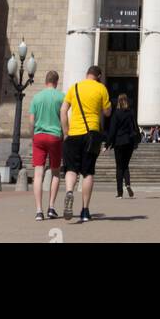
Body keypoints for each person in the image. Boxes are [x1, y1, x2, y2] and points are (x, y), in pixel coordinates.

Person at [60, 64, 112, 224]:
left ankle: (69, 191)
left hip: (74, 133)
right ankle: (84, 210)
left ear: (87, 74)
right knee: (88, 172)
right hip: (92, 135)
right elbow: (107, 112)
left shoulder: (74, 87)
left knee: (71, 169)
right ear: (99, 76)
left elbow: (63, 110)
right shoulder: (101, 89)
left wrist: (66, 131)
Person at [29, 69, 65, 221]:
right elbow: (64, 118)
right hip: (55, 136)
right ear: (56, 82)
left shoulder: (36, 98)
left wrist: (33, 136)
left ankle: (39, 211)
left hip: (39, 136)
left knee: (38, 174)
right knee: (55, 173)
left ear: (45, 81)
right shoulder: (61, 97)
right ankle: (51, 207)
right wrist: (65, 134)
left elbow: (31, 121)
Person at [106, 93, 139, 197]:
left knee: (119, 167)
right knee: (125, 165)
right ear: (126, 101)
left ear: (118, 102)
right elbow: (135, 127)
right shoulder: (130, 113)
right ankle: (128, 184)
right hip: (129, 142)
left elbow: (112, 130)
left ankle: (120, 193)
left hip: (119, 142)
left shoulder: (116, 114)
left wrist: (107, 144)